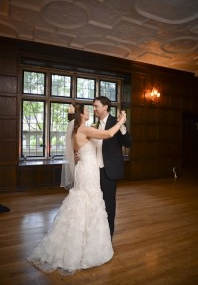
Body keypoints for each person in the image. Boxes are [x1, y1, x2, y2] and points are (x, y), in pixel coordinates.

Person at [28, 103, 126, 276]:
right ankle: (86, 248)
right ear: (80, 115)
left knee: (82, 202)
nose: (90, 112)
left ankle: (80, 242)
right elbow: (109, 133)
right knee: (89, 203)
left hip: (84, 169)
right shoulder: (84, 130)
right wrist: (122, 121)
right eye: (87, 111)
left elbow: (80, 151)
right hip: (88, 171)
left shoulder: (76, 133)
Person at [93, 96, 132, 238]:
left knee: (109, 204)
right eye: (94, 106)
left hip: (109, 170)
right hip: (93, 170)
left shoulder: (116, 122)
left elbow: (128, 143)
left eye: (96, 106)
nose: (94, 109)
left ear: (105, 107)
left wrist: (122, 127)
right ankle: (96, 231)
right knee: (96, 202)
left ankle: (108, 235)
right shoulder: (94, 125)